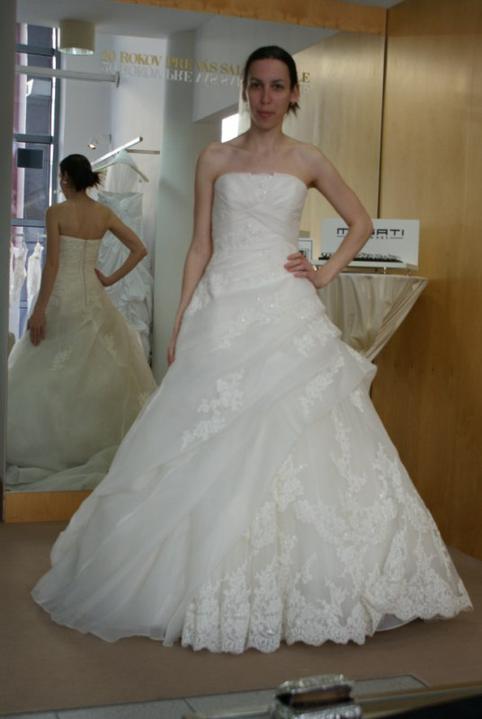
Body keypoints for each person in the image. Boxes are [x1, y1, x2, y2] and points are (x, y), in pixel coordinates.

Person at [32, 49, 471, 651]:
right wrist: (180, 319)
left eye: (277, 87)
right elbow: (200, 245)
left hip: (286, 307)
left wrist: (323, 272)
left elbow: (361, 222)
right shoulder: (215, 157)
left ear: (294, 94)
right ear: (244, 90)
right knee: (205, 434)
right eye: (257, 86)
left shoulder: (307, 158)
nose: (266, 97)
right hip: (223, 307)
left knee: (310, 430)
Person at [7, 154, 156, 492]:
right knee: (96, 373)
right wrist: (109, 279)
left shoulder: (56, 213)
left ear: (66, 178)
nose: (60, 182)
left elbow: (52, 266)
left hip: (63, 298)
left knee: (49, 372)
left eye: (61, 176)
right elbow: (139, 249)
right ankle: (89, 444)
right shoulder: (103, 213)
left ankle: (53, 446)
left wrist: (39, 310)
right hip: (94, 298)